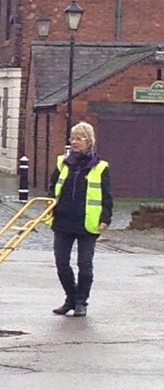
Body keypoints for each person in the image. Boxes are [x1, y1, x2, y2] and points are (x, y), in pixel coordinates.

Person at [48, 121, 112, 316]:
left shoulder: (100, 167)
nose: (75, 142)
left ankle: (82, 301)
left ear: (89, 141)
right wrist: (50, 203)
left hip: (87, 223)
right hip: (63, 220)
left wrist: (105, 219)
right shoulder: (63, 163)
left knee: (84, 264)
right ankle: (71, 298)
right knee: (61, 263)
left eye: (79, 138)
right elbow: (52, 188)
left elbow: (107, 196)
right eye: (73, 138)